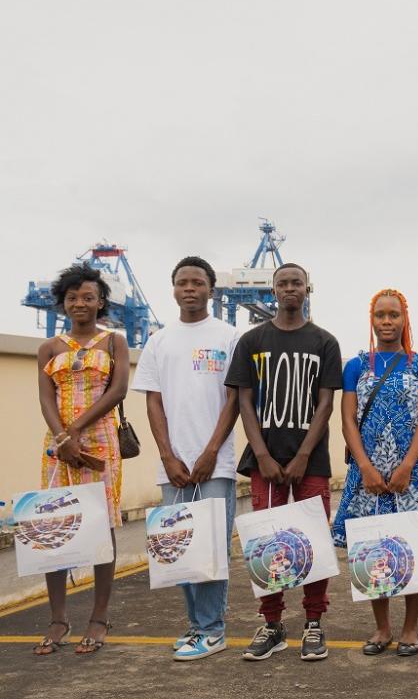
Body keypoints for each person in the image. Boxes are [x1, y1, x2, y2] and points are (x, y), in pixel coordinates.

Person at [225, 262, 343, 662]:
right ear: (273, 290)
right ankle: (272, 624)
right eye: (283, 283)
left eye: (297, 283)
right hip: (265, 462)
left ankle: (314, 623)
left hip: (310, 461)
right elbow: (243, 400)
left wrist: (304, 454)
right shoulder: (252, 340)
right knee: (266, 542)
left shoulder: (324, 342)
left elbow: (326, 403)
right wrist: (262, 454)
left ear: (307, 289)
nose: (290, 288)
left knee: (313, 542)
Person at [330, 288, 418, 657]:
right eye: (380, 315)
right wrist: (365, 466)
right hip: (367, 475)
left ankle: (410, 628)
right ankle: (382, 628)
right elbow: (347, 418)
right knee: (373, 547)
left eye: (393, 315)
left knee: (412, 546)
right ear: (372, 319)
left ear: (404, 319)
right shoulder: (356, 365)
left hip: (410, 470)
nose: (387, 321)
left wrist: (407, 466)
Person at [132, 256, 241, 661]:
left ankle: (213, 630)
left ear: (212, 290)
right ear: (174, 289)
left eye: (198, 282)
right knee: (176, 547)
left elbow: (234, 398)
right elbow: (153, 402)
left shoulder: (229, 336)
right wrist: (168, 455)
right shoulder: (159, 340)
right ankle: (196, 626)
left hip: (216, 464)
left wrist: (211, 450)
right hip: (173, 466)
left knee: (211, 548)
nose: (190, 288)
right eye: (183, 282)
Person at [34, 263, 129, 655]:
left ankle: (99, 616)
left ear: (100, 301)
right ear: (63, 303)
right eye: (72, 298)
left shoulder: (114, 342)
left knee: (101, 526)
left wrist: (76, 432)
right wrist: (62, 436)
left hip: (100, 444)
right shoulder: (48, 349)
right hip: (56, 447)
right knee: (55, 527)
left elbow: (119, 389)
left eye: (87, 297)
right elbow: (45, 398)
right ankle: (58, 618)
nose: (80, 303)